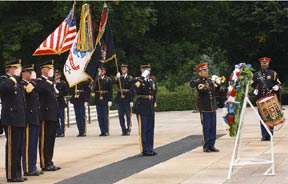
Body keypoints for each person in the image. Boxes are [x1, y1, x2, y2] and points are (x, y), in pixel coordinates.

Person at [0, 59, 27, 182]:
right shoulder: (5, 80)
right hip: (11, 119)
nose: (19, 71)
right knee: (12, 148)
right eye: (17, 68)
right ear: (10, 68)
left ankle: (17, 173)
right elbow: (5, 87)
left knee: (18, 148)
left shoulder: (17, 81)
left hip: (19, 118)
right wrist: (13, 77)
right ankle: (11, 175)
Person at [36, 60, 61, 171]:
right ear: (44, 69)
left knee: (51, 140)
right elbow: (41, 90)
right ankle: (44, 163)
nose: (52, 71)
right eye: (50, 69)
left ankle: (49, 161)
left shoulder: (50, 82)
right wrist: (50, 80)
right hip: (45, 114)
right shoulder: (40, 80)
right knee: (44, 140)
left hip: (52, 114)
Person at [190, 62, 220, 153]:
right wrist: (212, 83)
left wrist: (218, 84)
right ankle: (206, 146)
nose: (206, 72)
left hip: (212, 107)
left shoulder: (210, 81)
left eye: (207, 70)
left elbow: (216, 91)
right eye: (204, 70)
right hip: (205, 108)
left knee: (213, 127)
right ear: (200, 72)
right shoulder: (198, 82)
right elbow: (203, 90)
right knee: (206, 127)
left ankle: (212, 145)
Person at [20, 64, 43, 176]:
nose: (31, 74)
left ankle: (32, 166)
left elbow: (38, 89)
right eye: (30, 72)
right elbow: (27, 91)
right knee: (28, 145)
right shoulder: (22, 84)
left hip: (35, 117)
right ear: (24, 73)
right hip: (28, 118)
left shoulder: (31, 84)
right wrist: (33, 81)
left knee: (33, 144)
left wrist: (35, 81)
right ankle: (28, 168)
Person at [251, 57, 281, 141]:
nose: (264, 64)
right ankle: (264, 135)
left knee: (271, 116)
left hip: (270, 99)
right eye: (263, 63)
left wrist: (276, 87)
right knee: (262, 117)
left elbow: (279, 83)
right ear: (260, 64)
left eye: (266, 63)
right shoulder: (256, 74)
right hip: (260, 99)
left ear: (268, 64)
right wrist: (255, 90)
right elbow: (253, 85)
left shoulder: (273, 73)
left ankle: (270, 134)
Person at [134, 64, 157, 156]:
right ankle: (144, 149)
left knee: (150, 128)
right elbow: (135, 88)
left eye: (148, 70)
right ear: (141, 70)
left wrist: (154, 102)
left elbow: (155, 93)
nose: (147, 71)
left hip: (150, 106)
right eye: (145, 70)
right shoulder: (138, 80)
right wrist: (142, 77)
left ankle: (150, 148)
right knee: (143, 129)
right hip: (142, 106)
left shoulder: (152, 80)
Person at [114, 64, 134, 136]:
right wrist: (116, 77)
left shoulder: (130, 78)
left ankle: (128, 129)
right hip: (120, 99)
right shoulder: (119, 78)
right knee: (120, 115)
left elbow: (132, 90)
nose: (123, 69)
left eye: (124, 68)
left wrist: (132, 100)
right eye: (122, 68)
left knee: (128, 116)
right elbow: (114, 82)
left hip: (127, 98)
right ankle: (123, 129)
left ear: (127, 69)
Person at [94, 66, 113, 136]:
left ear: (105, 72)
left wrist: (110, 100)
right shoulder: (97, 80)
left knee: (105, 116)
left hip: (105, 98)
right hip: (99, 99)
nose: (101, 72)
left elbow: (110, 90)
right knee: (99, 116)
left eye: (102, 71)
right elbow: (94, 89)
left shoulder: (108, 79)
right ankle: (102, 130)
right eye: (100, 71)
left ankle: (106, 130)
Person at [54, 70, 68, 137]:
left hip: (60, 102)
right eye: (55, 75)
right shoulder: (52, 83)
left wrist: (59, 93)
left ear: (60, 76)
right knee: (55, 118)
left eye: (57, 75)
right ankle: (57, 131)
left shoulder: (63, 83)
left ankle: (62, 131)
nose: (56, 76)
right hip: (54, 102)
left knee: (61, 117)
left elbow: (65, 92)